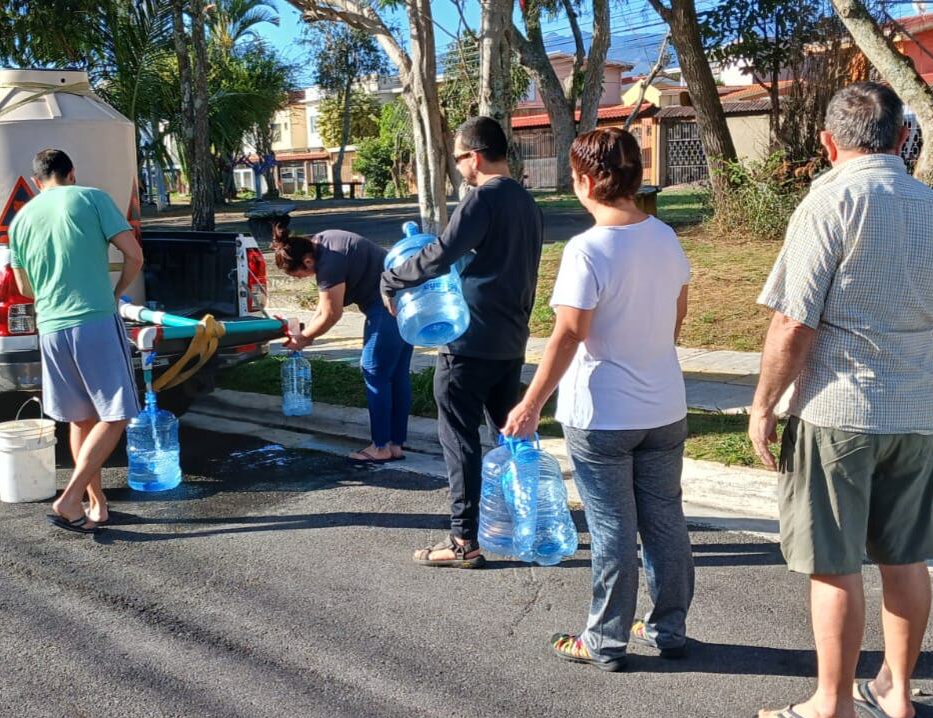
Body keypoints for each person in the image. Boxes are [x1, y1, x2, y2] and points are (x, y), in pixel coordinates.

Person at [747, 82, 933, 718]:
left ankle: (832, 708)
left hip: (836, 410)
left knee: (834, 562)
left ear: (828, 142)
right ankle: (897, 693)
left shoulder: (828, 203)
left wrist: (763, 405)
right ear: (904, 138)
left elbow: (793, 324)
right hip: (913, 413)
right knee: (905, 558)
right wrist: (926, 396)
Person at [500, 128, 694, 672]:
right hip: (665, 406)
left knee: (613, 530)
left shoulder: (586, 249)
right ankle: (668, 628)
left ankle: (604, 640)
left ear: (585, 180)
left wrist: (530, 404)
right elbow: (676, 317)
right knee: (665, 520)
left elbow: (569, 334)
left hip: (603, 414)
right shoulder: (666, 237)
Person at [381, 116, 544, 568]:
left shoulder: (482, 199)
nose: (457, 168)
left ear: (474, 155)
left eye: (457, 159)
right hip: (510, 340)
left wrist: (392, 278)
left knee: (459, 440)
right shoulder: (528, 203)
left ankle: (463, 541)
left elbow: (438, 255)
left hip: (468, 342)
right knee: (511, 439)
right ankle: (524, 524)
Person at [8, 148, 146, 534]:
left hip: (51, 328)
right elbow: (134, 256)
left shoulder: (21, 220)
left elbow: (24, 287)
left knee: (80, 418)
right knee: (116, 415)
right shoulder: (92, 198)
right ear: (72, 173)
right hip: (94, 320)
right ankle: (69, 498)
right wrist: (115, 293)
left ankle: (95, 503)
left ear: (36, 182)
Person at [275, 226, 412, 462]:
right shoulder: (326, 242)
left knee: (374, 371)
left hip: (385, 306)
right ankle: (395, 445)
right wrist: (306, 334)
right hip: (406, 303)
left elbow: (332, 314)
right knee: (397, 375)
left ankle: (380, 447)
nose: (301, 279)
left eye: (298, 275)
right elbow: (323, 307)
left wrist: (304, 339)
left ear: (307, 262)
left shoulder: (329, 263)